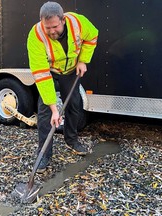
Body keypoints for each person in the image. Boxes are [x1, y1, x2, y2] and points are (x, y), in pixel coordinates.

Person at [27, 1, 98, 173]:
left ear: (63, 20)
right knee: (45, 112)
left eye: (55, 27)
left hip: (70, 70)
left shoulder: (78, 23)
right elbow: (41, 74)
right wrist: (54, 108)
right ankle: (44, 154)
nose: (52, 31)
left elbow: (92, 36)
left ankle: (71, 140)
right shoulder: (36, 36)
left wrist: (83, 60)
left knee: (74, 105)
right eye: (47, 27)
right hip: (49, 71)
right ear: (41, 22)